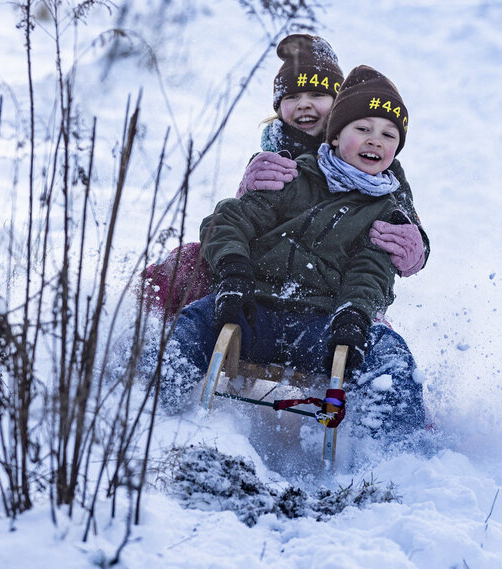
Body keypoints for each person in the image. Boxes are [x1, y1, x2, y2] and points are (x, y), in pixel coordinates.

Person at [158, 65, 427, 443]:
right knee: (192, 323)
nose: (375, 141)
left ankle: (394, 454)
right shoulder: (290, 175)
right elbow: (229, 220)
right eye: (363, 129)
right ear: (334, 136)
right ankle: (150, 407)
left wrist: (353, 315)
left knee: (390, 358)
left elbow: (372, 271)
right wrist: (234, 273)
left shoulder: (386, 204)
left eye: (388, 135)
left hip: (325, 326)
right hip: (255, 309)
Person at [143, 34, 429, 316]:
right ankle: (139, 326)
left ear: (340, 105)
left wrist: (416, 248)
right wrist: (246, 187)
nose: (304, 104)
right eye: (293, 96)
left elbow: (402, 218)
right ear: (279, 107)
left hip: (333, 284)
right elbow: (242, 216)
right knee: (190, 260)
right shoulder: (274, 155)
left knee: (371, 324)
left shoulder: (379, 166)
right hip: (262, 272)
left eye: (317, 95)